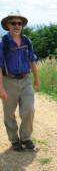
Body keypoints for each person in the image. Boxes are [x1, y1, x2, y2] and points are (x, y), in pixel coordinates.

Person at [0, 11, 39, 151]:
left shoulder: (27, 41)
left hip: (25, 79)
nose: (17, 25)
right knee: (9, 113)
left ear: (22, 25)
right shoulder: (3, 43)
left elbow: (32, 61)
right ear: (8, 25)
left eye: (19, 23)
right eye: (13, 23)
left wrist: (36, 80)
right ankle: (14, 140)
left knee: (29, 109)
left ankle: (25, 137)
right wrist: (1, 88)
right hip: (8, 81)